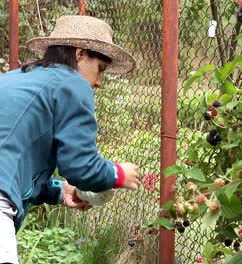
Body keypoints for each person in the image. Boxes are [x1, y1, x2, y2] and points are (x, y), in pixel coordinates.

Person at [0, 15, 140, 264]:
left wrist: (59, 191)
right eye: (100, 69)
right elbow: (80, 166)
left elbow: (13, 157)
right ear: (80, 54)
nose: (98, 82)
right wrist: (118, 174)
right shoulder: (72, 83)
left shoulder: (13, 78)